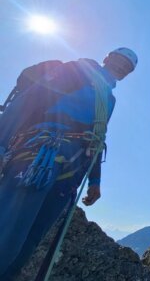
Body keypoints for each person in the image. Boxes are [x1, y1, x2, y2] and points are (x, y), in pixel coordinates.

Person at [0, 47, 137, 280]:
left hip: (69, 175)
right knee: (9, 234)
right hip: (40, 158)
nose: (122, 66)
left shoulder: (109, 99)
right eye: (118, 59)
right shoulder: (77, 71)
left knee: (29, 242)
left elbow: (97, 137)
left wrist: (95, 180)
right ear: (106, 57)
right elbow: (30, 99)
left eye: (128, 66)